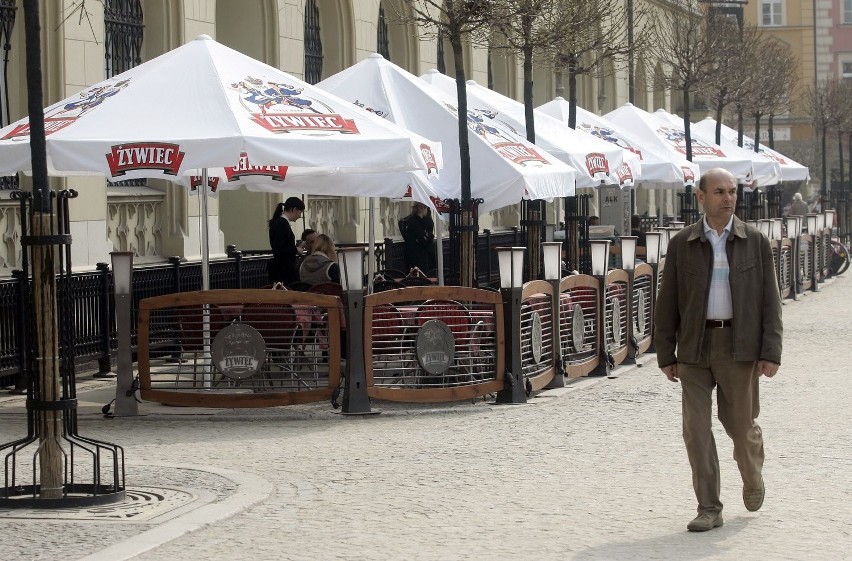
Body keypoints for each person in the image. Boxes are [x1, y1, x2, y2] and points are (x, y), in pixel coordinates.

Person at [654, 168, 783, 533]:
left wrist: (770, 350)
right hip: (694, 347)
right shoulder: (683, 243)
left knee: (740, 427)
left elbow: (770, 301)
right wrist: (666, 353)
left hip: (738, 346)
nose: (728, 198)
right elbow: (668, 301)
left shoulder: (754, 240)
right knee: (696, 429)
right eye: (720, 191)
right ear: (701, 196)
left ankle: (752, 475)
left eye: (732, 192)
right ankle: (709, 507)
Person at [267, 196, 305, 285]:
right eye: (300, 212)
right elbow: (280, 249)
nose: (300, 216)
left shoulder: (280, 223)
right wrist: (297, 250)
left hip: (283, 269)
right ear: (294, 209)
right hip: (284, 270)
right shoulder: (281, 224)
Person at [399, 201, 436, 274]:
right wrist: (427, 237)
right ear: (422, 208)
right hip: (417, 256)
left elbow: (428, 235)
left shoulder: (423, 220)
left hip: (419, 255)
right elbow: (423, 239)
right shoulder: (413, 222)